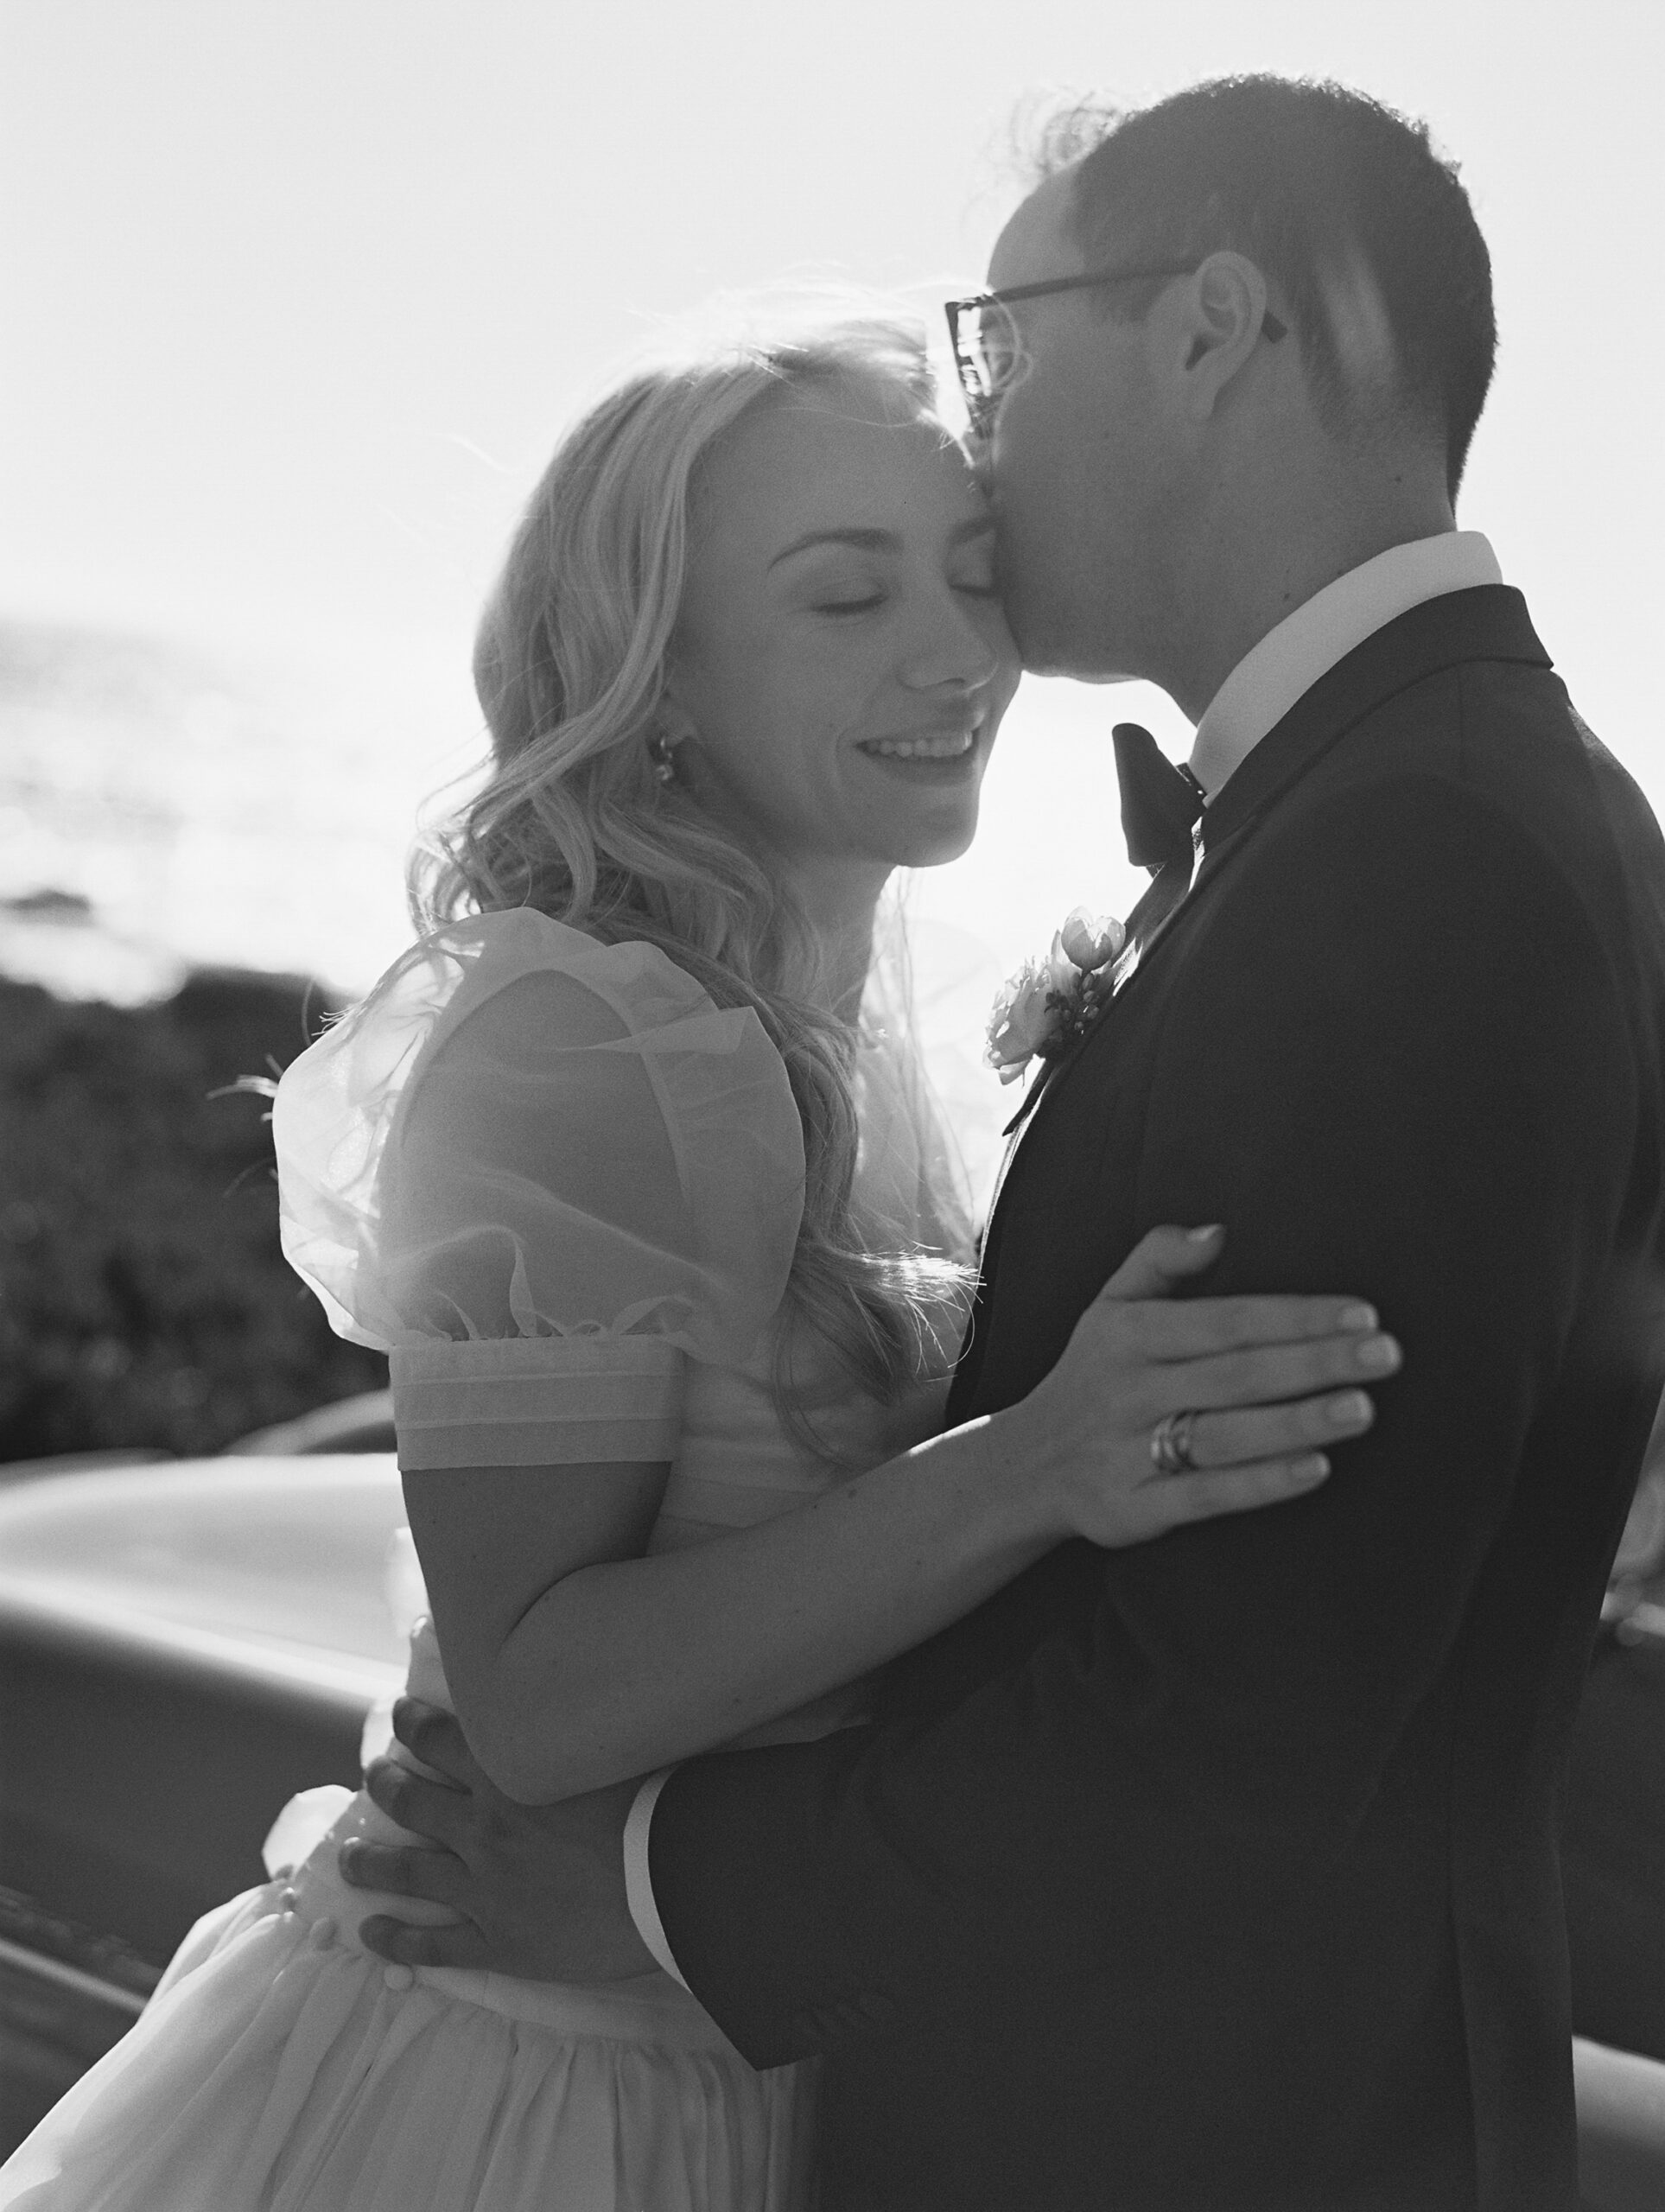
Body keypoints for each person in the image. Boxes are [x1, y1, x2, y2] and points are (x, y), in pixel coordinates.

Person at [339, 77, 1665, 2212]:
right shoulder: (1427, 809)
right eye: (844, 590)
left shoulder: (1416, 856)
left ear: (1213, 325)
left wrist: (667, 1900)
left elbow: (1239, 1703)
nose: (987, 423)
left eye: (1004, 341)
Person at [0, 321, 1394, 2212]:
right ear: (658, 679)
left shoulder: (859, 1038)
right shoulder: (587, 1039)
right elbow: (535, 1699)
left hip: (738, 2048)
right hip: (507, 2094)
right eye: (844, 596)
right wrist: (1035, 1460)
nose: (953, 650)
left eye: (972, 573)